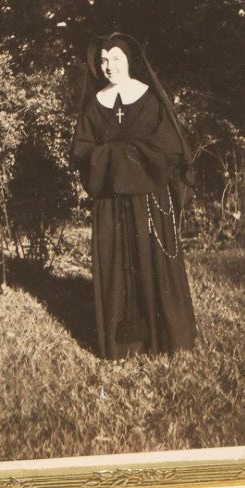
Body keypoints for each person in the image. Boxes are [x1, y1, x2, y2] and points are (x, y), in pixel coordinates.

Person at [71, 32, 197, 359]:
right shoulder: (94, 105)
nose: (109, 66)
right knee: (116, 264)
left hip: (149, 201)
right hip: (110, 201)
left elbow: (168, 149)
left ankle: (165, 340)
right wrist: (113, 159)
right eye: (103, 60)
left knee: (152, 263)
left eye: (116, 59)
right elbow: (82, 151)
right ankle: (122, 343)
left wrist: (114, 156)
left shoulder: (148, 99)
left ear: (129, 61)